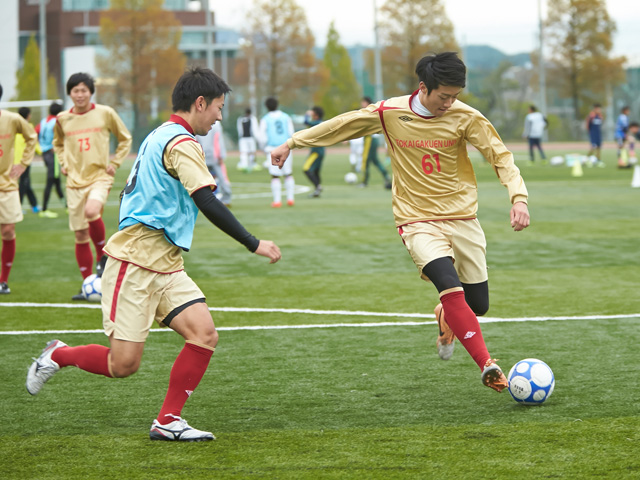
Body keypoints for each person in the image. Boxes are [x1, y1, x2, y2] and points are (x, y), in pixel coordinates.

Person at [25, 66, 282, 441]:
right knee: (123, 364)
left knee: (204, 334)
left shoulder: (161, 134)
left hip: (166, 262)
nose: (220, 116)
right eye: (218, 108)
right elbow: (206, 199)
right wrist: (252, 241)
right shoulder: (181, 142)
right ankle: (59, 354)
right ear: (200, 103)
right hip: (135, 262)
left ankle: (167, 419)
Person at [271, 52, 530, 393]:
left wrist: (518, 197)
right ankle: (488, 364)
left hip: (462, 218)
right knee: (448, 284)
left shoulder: (467, 117)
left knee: (477, 304)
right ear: (423, 88)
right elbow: (342, 125)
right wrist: (292, 142)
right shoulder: (390, 112)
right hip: (416, 219)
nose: (449, 104)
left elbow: (501, 156)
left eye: (455, 96)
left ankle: (446, 316)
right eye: (443, 97)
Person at [53, 72, 132, 299]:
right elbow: (57, 143)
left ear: (91, 92)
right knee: (79, 236)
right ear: (70, 93)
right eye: (75, 90)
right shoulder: (62, 119)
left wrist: (115, 163)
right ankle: (88, 283)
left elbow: (125, 137)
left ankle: (102, 256)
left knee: (91, 211)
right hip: (74, 181)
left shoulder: (105, 113)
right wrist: (63, 162)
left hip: (100, 176)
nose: (80, 95)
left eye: (84, 90)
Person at [0, 83, 38, 294]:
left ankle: (3, 280)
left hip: (6, 185)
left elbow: (31, 137)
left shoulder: (12, 119)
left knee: (7, 231)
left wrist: (23, 163)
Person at [259, 97, 295, 207]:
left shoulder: (265, 119)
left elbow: (262, 137)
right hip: (285, 147)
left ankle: (277, 201)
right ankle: (290, 199)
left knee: (275, 175)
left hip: (272, 148)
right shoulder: (285, 117)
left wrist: (263, 148)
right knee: (288, 173)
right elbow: (291, 132)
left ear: (266, 107)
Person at [38, 102, 66, 217]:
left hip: (45, 152)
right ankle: (44, 210)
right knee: (51, 181)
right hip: (52, 153)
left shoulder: (44, 121)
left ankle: (67, 206)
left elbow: (37, 132)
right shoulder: (56, 122)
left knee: (56, 181)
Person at [357, 97, 392, 189]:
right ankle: (386, 175)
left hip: (370, 138)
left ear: (367, 103)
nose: (362, 104)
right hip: (373, 138)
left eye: (363, 102)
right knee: (374, 160)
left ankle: (364, 181)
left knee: (365, 160)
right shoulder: (372, 111)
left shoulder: (369, 111)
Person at [196, 121, 232, 206]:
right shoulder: (216, 124)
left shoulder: (199, 122)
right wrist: (220, 155)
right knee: (222, 177)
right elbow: (218, 140)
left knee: (202, 178)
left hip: (203, 154)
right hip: (215, 155)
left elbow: (197, 139)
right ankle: (226, 198)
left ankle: (203, 198)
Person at [13, 107, 41, 214]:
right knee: (22, 183)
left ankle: (34, 205)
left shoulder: (13, 126)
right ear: (28, 115)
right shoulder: (28, 127)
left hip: (15, 160)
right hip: (24, 161)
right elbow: (33, 142)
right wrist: (42, 151)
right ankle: (17, 207)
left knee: (25, 182)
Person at [302, 106, 325, 198]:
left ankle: (318, 187)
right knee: (316, 172)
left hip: (316, 151)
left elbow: (306, 122)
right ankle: (317, 191)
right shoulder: (321, 123)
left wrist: (307, 115)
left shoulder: (316, 123)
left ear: (316, 115)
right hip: (321, 151)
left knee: (306, 169)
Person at [236, 108, 259, 172]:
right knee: (251, 152)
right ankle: (250, 164)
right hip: (250, 138)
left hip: (243, 138)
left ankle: (245, 164)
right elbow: (255, 129)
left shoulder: (240, 119)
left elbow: (239, 129)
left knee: (244, 152)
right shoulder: (252, 119)